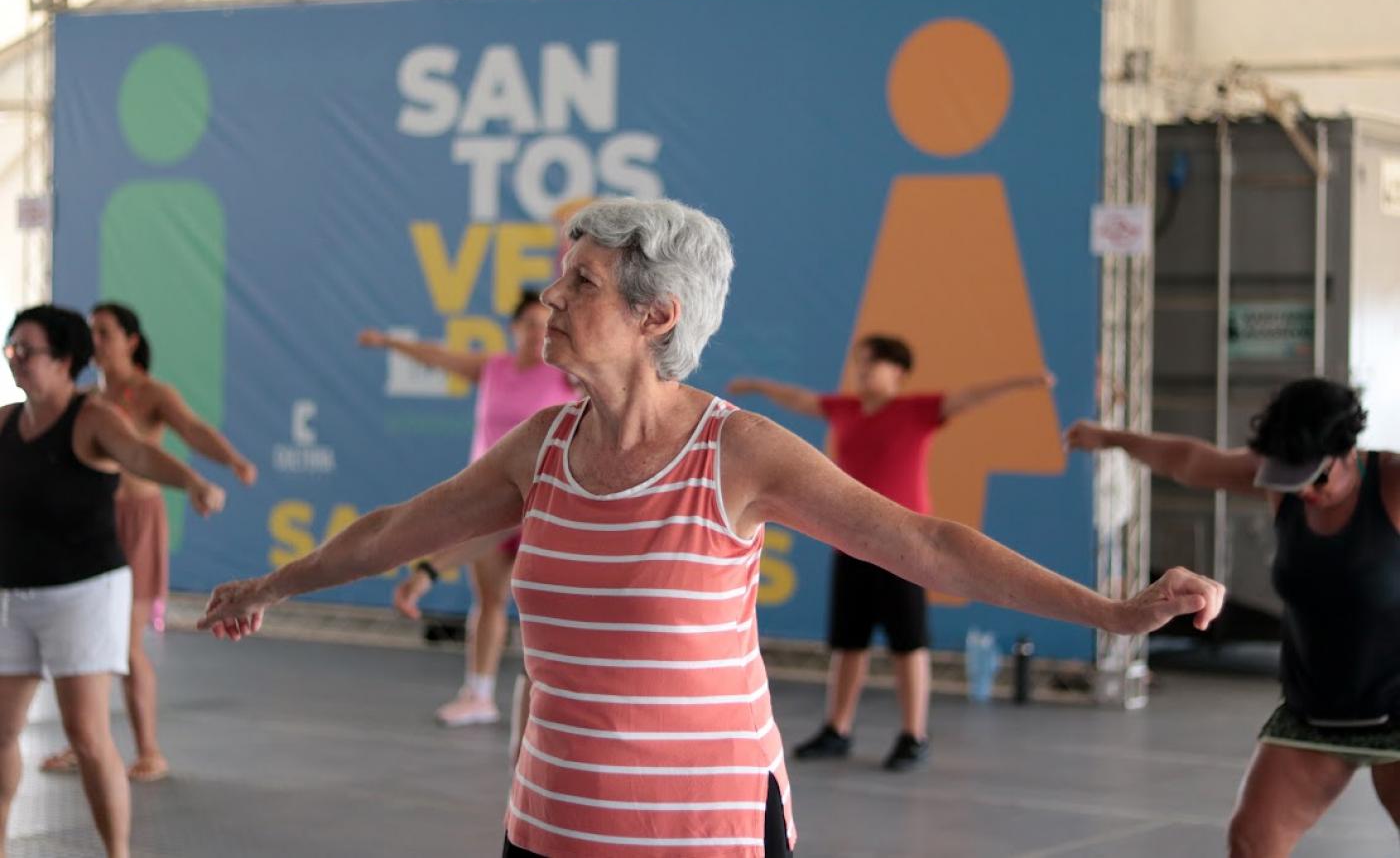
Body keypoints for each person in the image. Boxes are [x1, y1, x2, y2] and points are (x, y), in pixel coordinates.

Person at [200, 198, 1223, 858]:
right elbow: (390, 529)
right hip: (548, 823)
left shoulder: (736, 454)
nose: (550, 297)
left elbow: (927, 545)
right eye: (562, 277)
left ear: (657, 317)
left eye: (580, 283)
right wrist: (269, 587)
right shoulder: (541, 447)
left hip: (703, 831)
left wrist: (1110, 613)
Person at [1066, 378, 1400, 857]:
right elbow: (1191, 462)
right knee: (1251, 842)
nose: (1304, 492)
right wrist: (1115, 438)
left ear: (1348, 452)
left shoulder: (1391, 483)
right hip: (1318, 712)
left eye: (1317, 479)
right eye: (1290, 479)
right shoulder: (1284, 484)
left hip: (1397, 705)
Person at [728, 349, 1052, 770]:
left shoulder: (918, 410)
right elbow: (798, 399)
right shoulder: (844, 409)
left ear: (897, 371)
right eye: (859, 363)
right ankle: (837, 730)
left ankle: (913, 735)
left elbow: (972, 396)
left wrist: (1025, 381)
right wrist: (756, 385)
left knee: (908, 644)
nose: (862, 370)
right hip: (848, 544)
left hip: (903, 550)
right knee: (848, 645)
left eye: (872, 363)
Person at [0, 305, 225, 858]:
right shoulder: (5, 421)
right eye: (11, 349)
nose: (16, 360)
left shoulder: (92, 417)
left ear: (65, 361)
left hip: (84, 592)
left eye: (28, 351)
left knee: (86, 733)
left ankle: (117, 852)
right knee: (1, 733)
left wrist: (193, 482)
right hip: (13, 595)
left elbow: (142, 455)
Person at [39, 302, 255, 784]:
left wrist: (233, 462)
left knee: (125, 641)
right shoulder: (86, 398)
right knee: (81, 638)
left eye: (105, 332)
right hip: (92, 521)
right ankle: (86, 741)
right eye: (91, 332)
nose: (95, 341)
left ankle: (150, 751)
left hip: (138, 521)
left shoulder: (152, 393)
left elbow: (193, 431)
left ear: (131, 341)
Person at [360, 290, 576, 727]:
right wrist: (389, 343)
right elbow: (437, 357)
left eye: (544, 324)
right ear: (515, 329)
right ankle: (479, 694)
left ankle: (562, 702)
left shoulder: (567, 377)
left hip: (544, 506)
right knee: (490, 600)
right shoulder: (492, 368)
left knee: (554, 607)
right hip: (492, 504)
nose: (537, 332)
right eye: (529, 324)